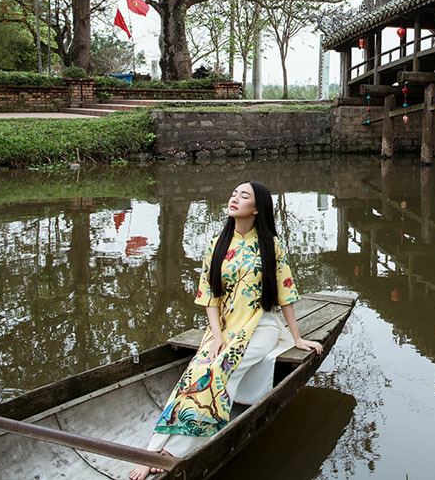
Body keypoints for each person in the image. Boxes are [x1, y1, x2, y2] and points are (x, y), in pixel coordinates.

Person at [129, 181, 322, 480]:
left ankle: (173, 453)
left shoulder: (271, 245)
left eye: (244, 195)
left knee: (219, 371)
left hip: (261, 326)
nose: (234, 198)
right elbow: (209, 296)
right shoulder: (217, 245)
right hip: (225, 327)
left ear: (256, 208)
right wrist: (217, 335)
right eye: (234, 193)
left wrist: (296, 338)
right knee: (193, 374)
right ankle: (152, 450)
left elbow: (286, 294)